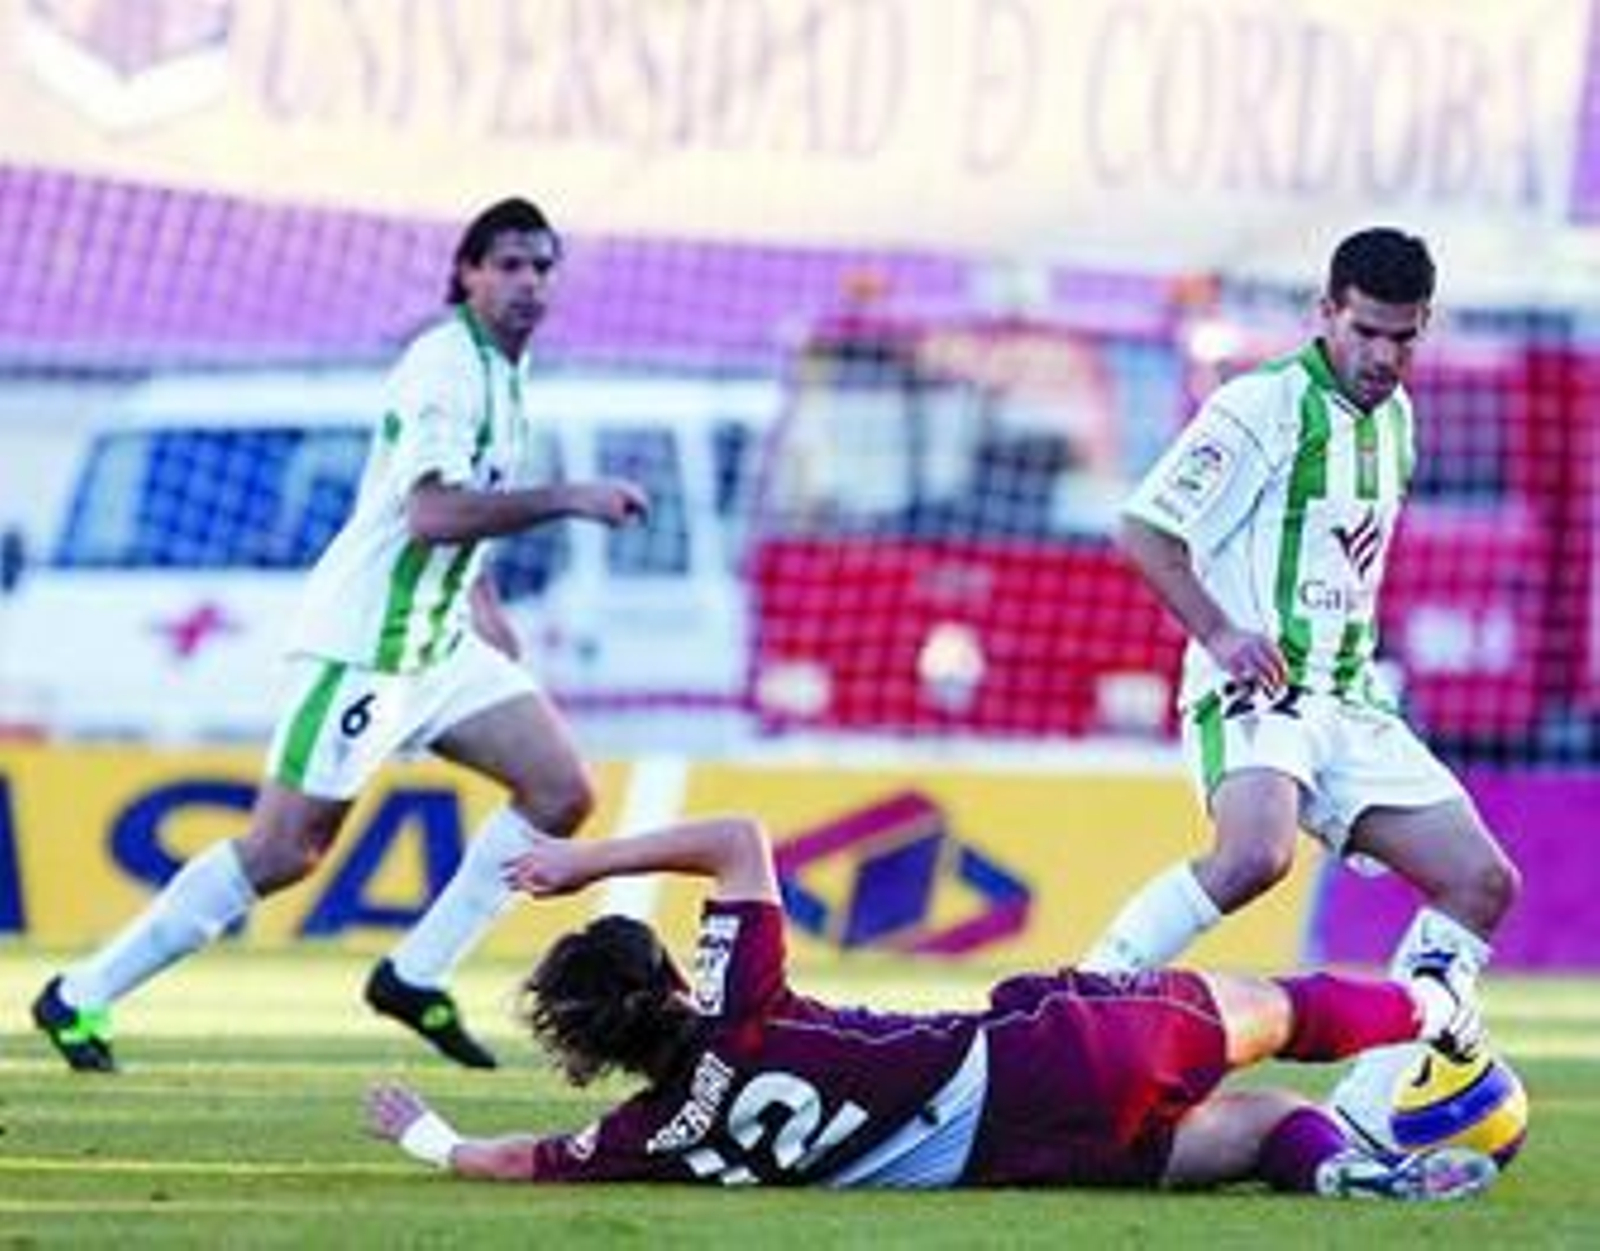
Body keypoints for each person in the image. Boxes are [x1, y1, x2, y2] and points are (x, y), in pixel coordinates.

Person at [32, 197, 649, 1073]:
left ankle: (414, 974)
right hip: (367, 648)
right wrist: (570, 497)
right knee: (284, 852)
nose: (527, 283)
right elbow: (433, 513)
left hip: (439, 645)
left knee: (559, 791)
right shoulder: (442, 367)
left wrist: (486, 606)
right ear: (467, 273)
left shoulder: (506, 372)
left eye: (542, 266)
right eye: (508, 264)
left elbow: (459, 519)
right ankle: (80, 994)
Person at [365, 814, 1496, 1201]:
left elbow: (512, 1162)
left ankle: (1346, 1173)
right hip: (1043, 1060)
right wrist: (583, 860)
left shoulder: (650, 1133)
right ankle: (1437, 1008)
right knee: (1277, 1008)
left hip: (1026, 1157)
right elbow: (737, 841)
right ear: (668, 982)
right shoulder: (740, 1003)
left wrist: (426, 1134)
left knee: (1245, 1131)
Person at [1076, 227, 1521, 1147]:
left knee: (1481, 881)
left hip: (1348, 699)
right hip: (1260, 684)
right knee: (1255, 856)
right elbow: (1144, 530)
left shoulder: (1397, 421)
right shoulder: (1261, 407)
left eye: (1403, 337)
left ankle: (1369, 1112)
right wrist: (1223, 631)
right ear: (1327, 313)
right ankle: (1083, 1005)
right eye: (1366, 331)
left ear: (1423, 326)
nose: (1383, 355)